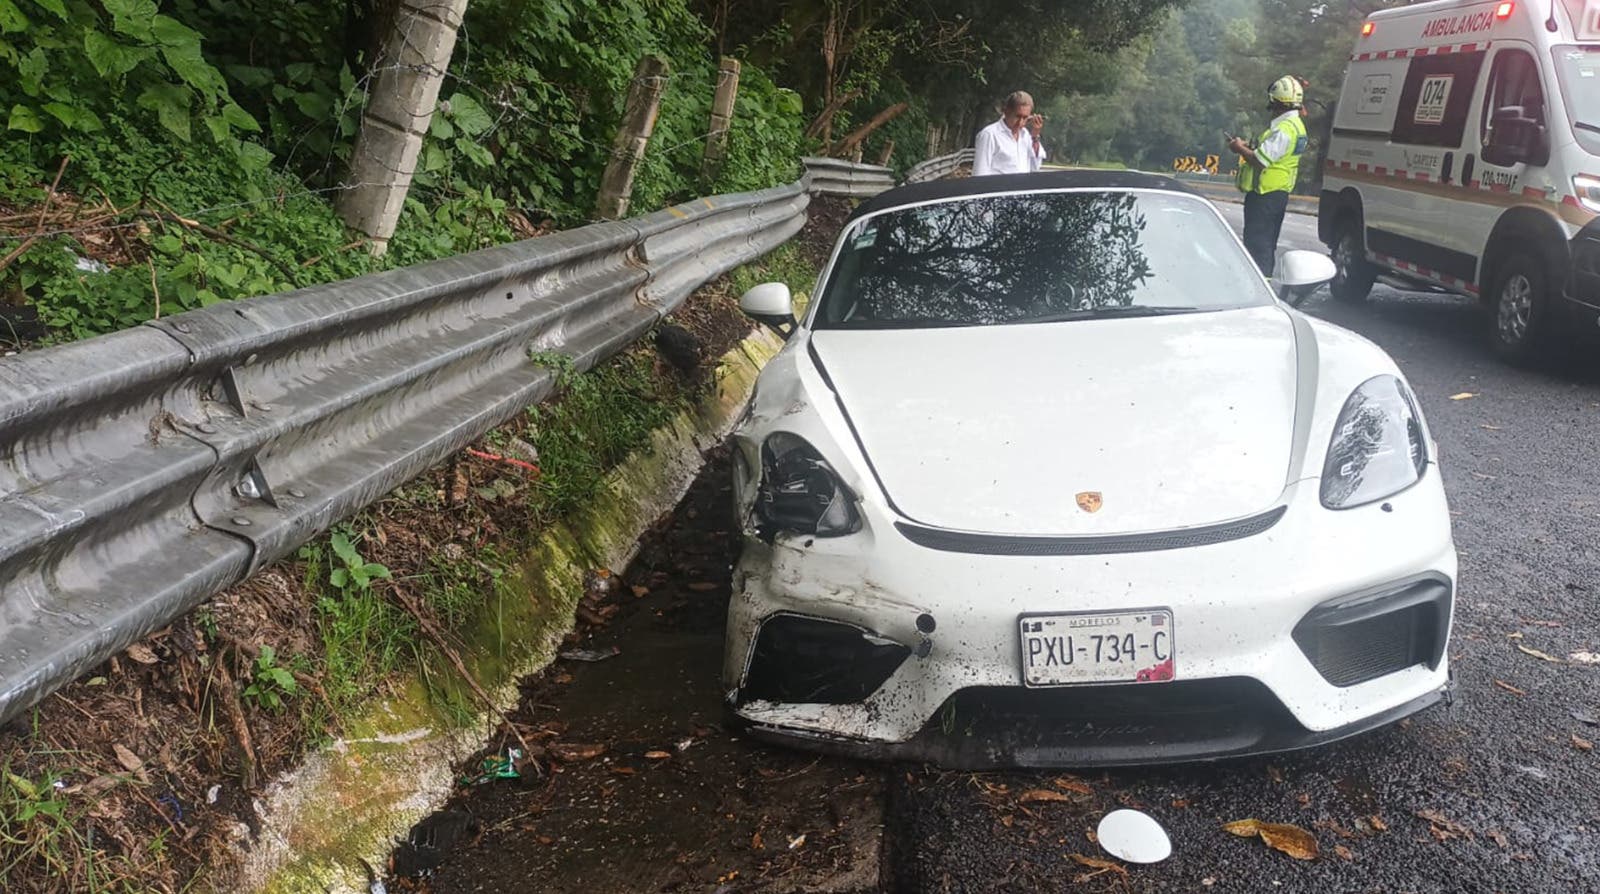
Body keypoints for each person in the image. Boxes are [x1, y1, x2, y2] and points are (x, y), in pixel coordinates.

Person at [1228, 75, 1308, 278]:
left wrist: (1239, 148)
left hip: (1265, 195)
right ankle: (1264, 282)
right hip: (1277, 194)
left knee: (1258, 244)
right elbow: (1274, 154)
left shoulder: (1284, 129)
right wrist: (1249, 147)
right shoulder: (1297, 126)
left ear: (1278, 103)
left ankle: (1259, 285)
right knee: (1267, 243)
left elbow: (1260, 160)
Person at [972, 91, 1046, 176]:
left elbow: (1035, 167)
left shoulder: (1025, 135)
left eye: (1025, 118)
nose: (1020, 122)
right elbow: (979, 173)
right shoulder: (989, 135)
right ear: (1006, 111)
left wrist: (1035, 136)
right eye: (1017, 116)